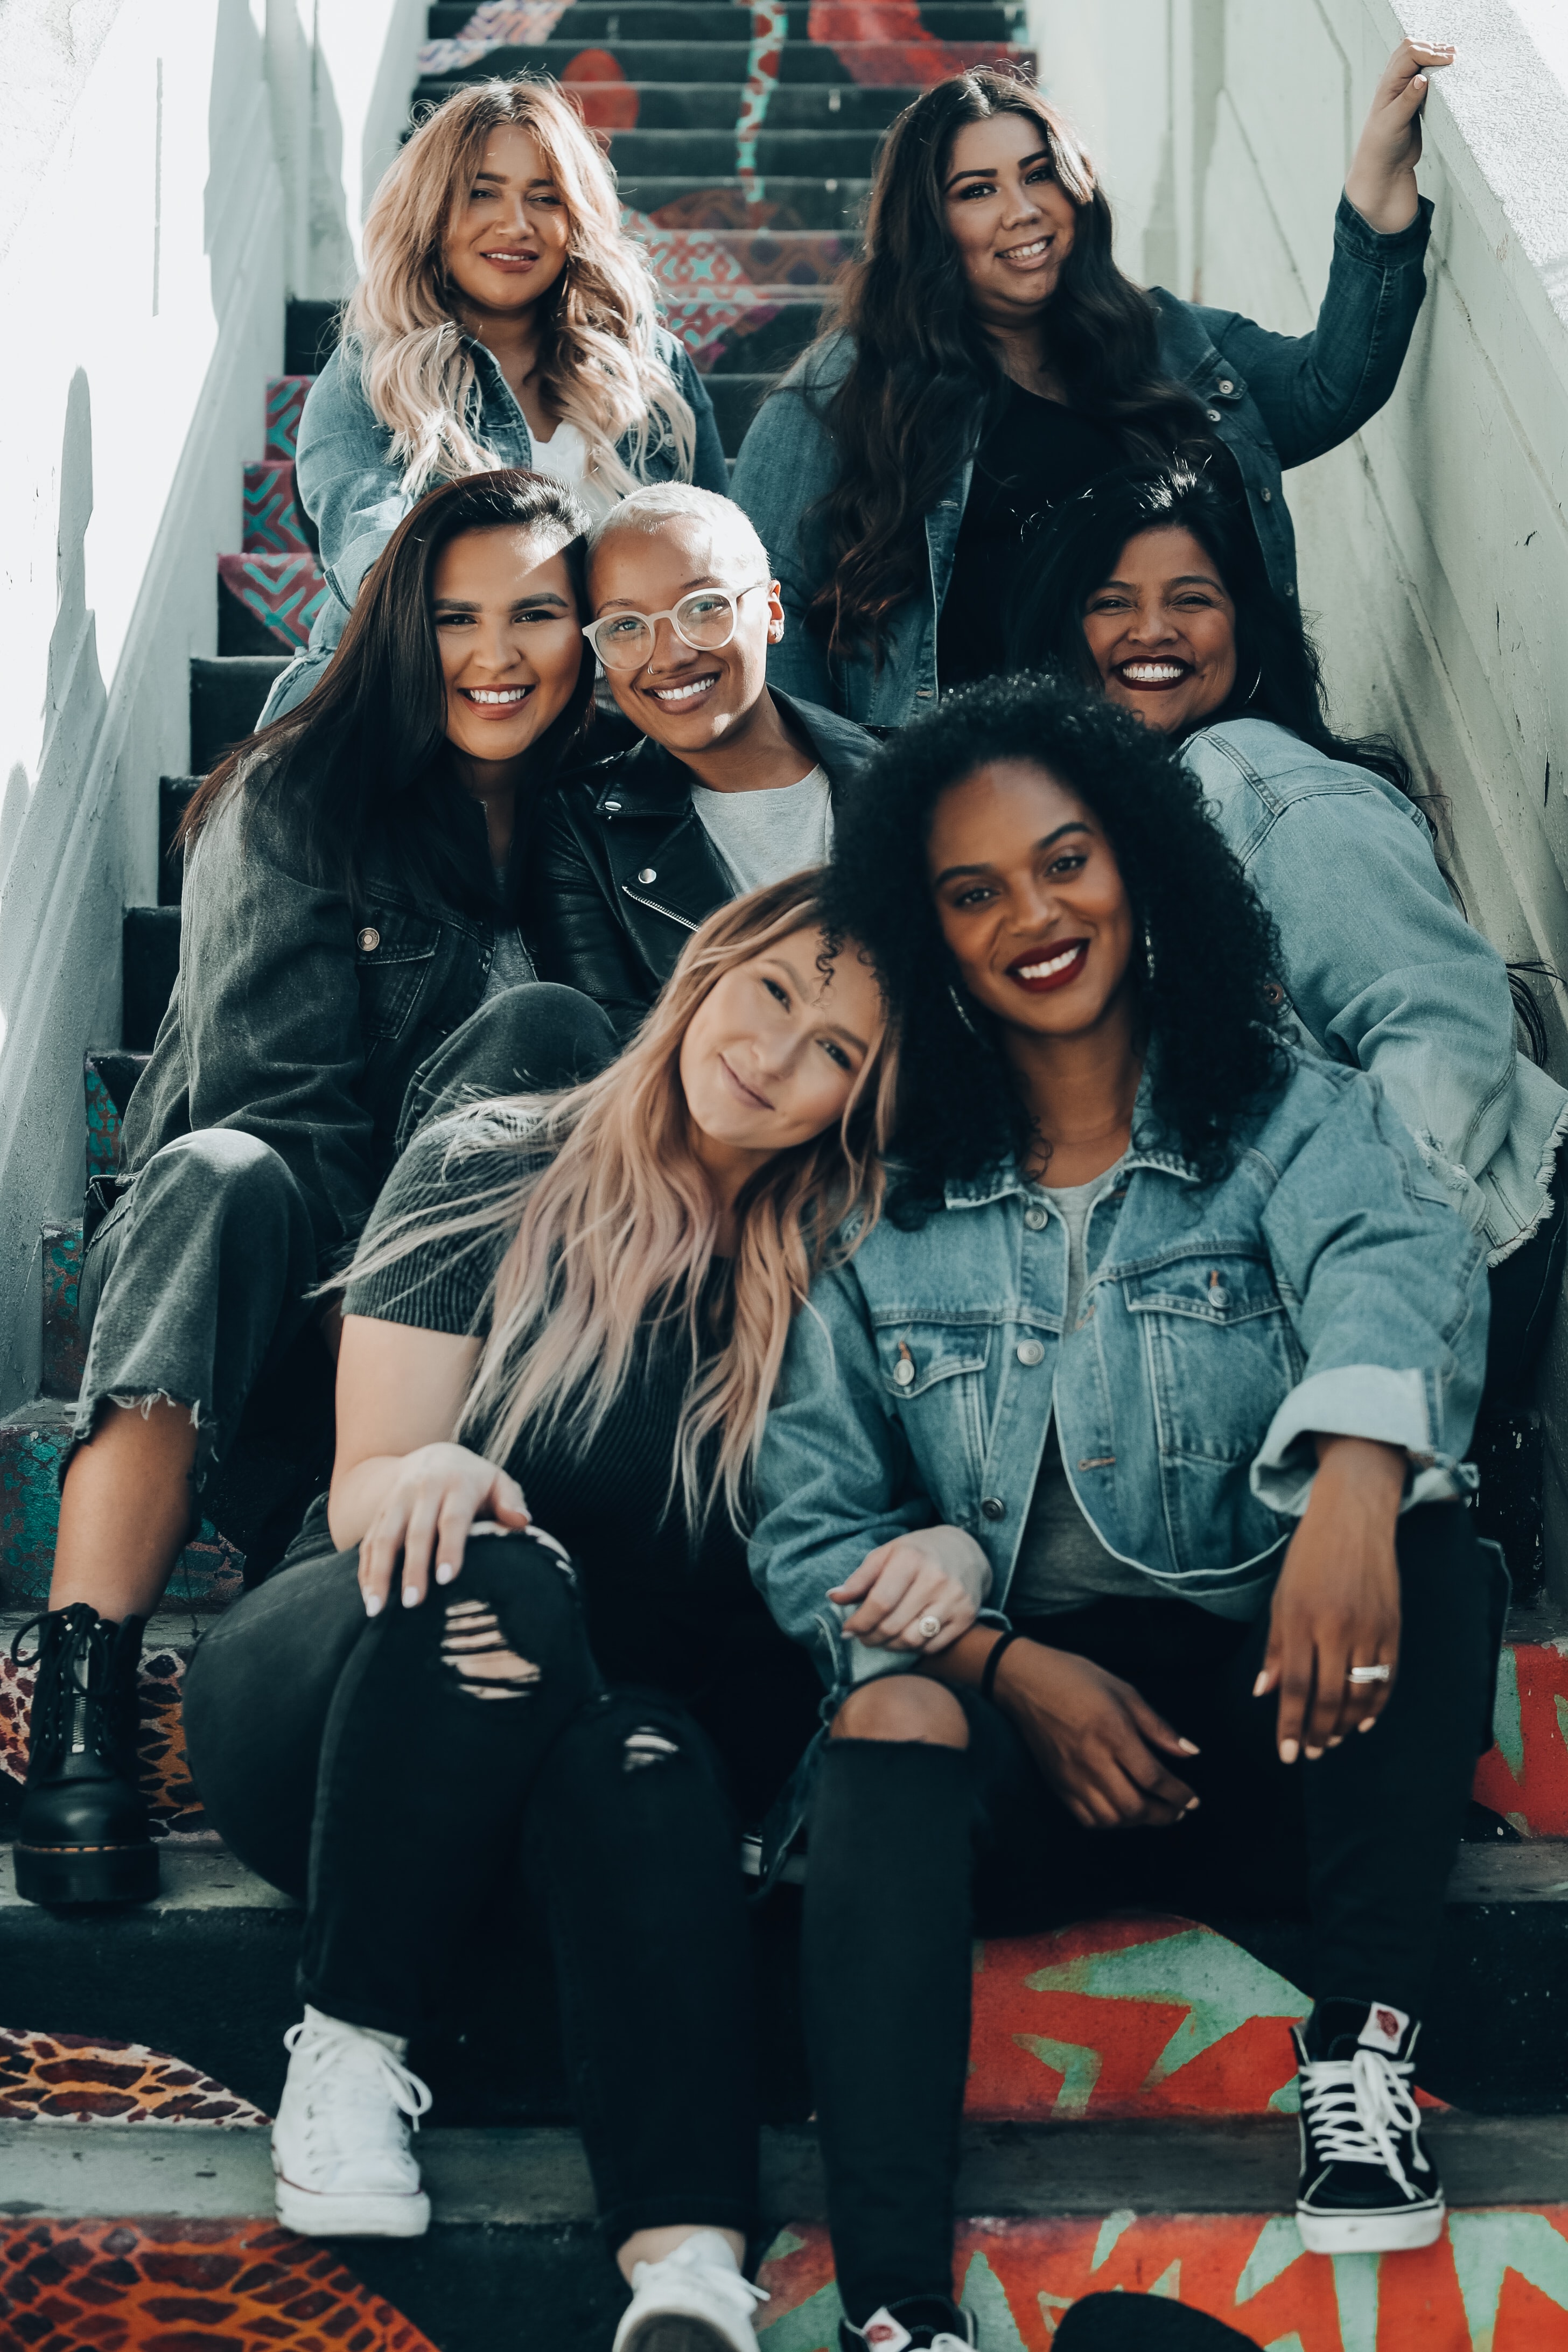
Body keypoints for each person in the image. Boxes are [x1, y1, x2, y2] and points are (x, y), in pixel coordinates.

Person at [751, 678, 1502, 2350]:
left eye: (1064, 860)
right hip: (1039, 1755)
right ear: (923, 936)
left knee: (1432, 1543)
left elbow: (1398, 1268)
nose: (1032, 915)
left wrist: (1356, 1483)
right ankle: (894, 2308)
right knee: (879, 1709)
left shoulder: (1284, 1115)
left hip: (1285, 1713)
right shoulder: (874, 1209)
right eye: (971, 893)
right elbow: (808, 1529)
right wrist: (1011, 1667)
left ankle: (1358, 2055)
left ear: (1139, 866)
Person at [180, 876, 900, 2352]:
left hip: (577, 1801)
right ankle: (350, 2047)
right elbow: (368, 1479)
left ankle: (690, 2274)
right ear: (711, 967)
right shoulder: (492, 1160)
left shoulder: (832, 1270)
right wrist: (439, 1470)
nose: (776, 1050)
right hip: (344, 1691)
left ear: (856, 1104)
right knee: (503, 1562)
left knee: (649, 1748)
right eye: (776, 988)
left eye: (836, 1048)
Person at [12, 471, 616, 1910]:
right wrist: (385, 1353)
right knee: (214, 1179)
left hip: (502, 1347)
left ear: (591, 634)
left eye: (538, 613)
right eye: (456, 614)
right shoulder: (296, 796)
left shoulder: (608, 822)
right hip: (291, 1314)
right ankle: (85, 1693)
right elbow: (262, 1121)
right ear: (402, 626)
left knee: (552, 1041)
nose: (495, 652)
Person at [1010, 459, 1568, 1412]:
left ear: (1243, 631)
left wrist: (1354, 1274)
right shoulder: (1104, 833)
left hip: (1425, 1271)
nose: (1152, 631)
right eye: (1113, 604)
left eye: (1192, 599)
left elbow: (1437, 1019)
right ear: (1068, 637)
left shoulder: (1248, 775)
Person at [729, 41, 1454, 723]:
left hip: (1201, 767)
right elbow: (766, 606)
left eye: (1040, 172)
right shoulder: (845, 390)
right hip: (990, 803)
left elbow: (1325, 390)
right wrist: (830, 801)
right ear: (929, 226)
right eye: (978, 190)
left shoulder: (1166, 340)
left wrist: (1376, 194)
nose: (1024, 209)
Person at [261, 77, 727, 724]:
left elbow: (714, 562)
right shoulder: (373, 375)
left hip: (614, 726)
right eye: (482, 192)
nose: (516, 224)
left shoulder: (649, 369)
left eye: (545, 197)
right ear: (432, 210)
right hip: (419, 712)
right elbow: (377, 565)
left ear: (576, 220)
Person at [529, 484, 874, 1034]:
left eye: (704, 607)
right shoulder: (579, 831)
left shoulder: (917, 774)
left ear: (771, 610)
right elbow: (625, 1062)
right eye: (624, 626)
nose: (669, 656)